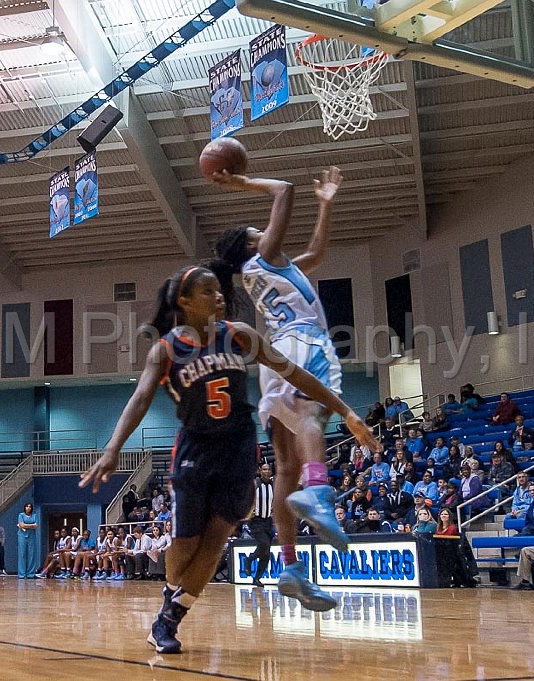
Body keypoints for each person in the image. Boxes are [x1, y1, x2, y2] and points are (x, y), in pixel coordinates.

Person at [79, 265, 377, 654]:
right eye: (208, 292)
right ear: (185, 302)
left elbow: (298, 375)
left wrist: (345, 410)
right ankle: (171, 596)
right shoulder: (166, 350)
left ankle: (168, 620)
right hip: (194, 449)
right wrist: (112, 450)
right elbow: (140, 400)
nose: (219, 297)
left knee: (217, 539)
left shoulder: (239, 335)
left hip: (238, 447)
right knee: (186, 542)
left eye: (220, 291)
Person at [208, 167, 358, 594]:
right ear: (253, 242)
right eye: (259, 230)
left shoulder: (271, 269)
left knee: (284, 469)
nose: (266, 231)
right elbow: (285, 191)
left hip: (273, 360)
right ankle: (319, 490)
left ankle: (290, 567)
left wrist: (326, 205)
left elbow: (317, 250)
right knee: (312, 416)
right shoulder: (263, 256)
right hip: (302, 342)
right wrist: (245, 183)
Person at [247, 462, 275, 587]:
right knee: (264, 545)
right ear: (260, 471)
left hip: (268, 520)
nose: (266, 471)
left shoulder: (273, 485)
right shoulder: (255, 484)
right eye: (264, 469)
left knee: (266, 552)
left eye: (268, 469)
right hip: (256, 520)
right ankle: (249, 560)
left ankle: (257, 578)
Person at [16, 503, 38, 579]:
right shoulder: (21, 515)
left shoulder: (34, 515)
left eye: (30, 507)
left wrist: (26, 525)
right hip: (22, 536)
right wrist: (31, 525)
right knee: (22, 554)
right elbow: (21, 525)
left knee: (31, 554)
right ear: (24, 507)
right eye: (27, 506)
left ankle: (30, 573)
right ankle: (22, 574)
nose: (28, 508)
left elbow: (36, 526)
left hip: (31, 537)